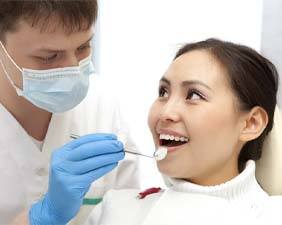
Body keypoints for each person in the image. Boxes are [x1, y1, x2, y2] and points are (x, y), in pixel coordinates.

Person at [84, 38, 281, 225]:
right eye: (163, 92)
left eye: (194, 95)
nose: (166, 112)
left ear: (251, 123)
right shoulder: (115, 210)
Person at [0, 1, 140, 225]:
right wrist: (41, 218)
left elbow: (129, 212)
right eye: (49, 57)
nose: (73, 69)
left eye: (83, 47)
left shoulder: (101, 105)